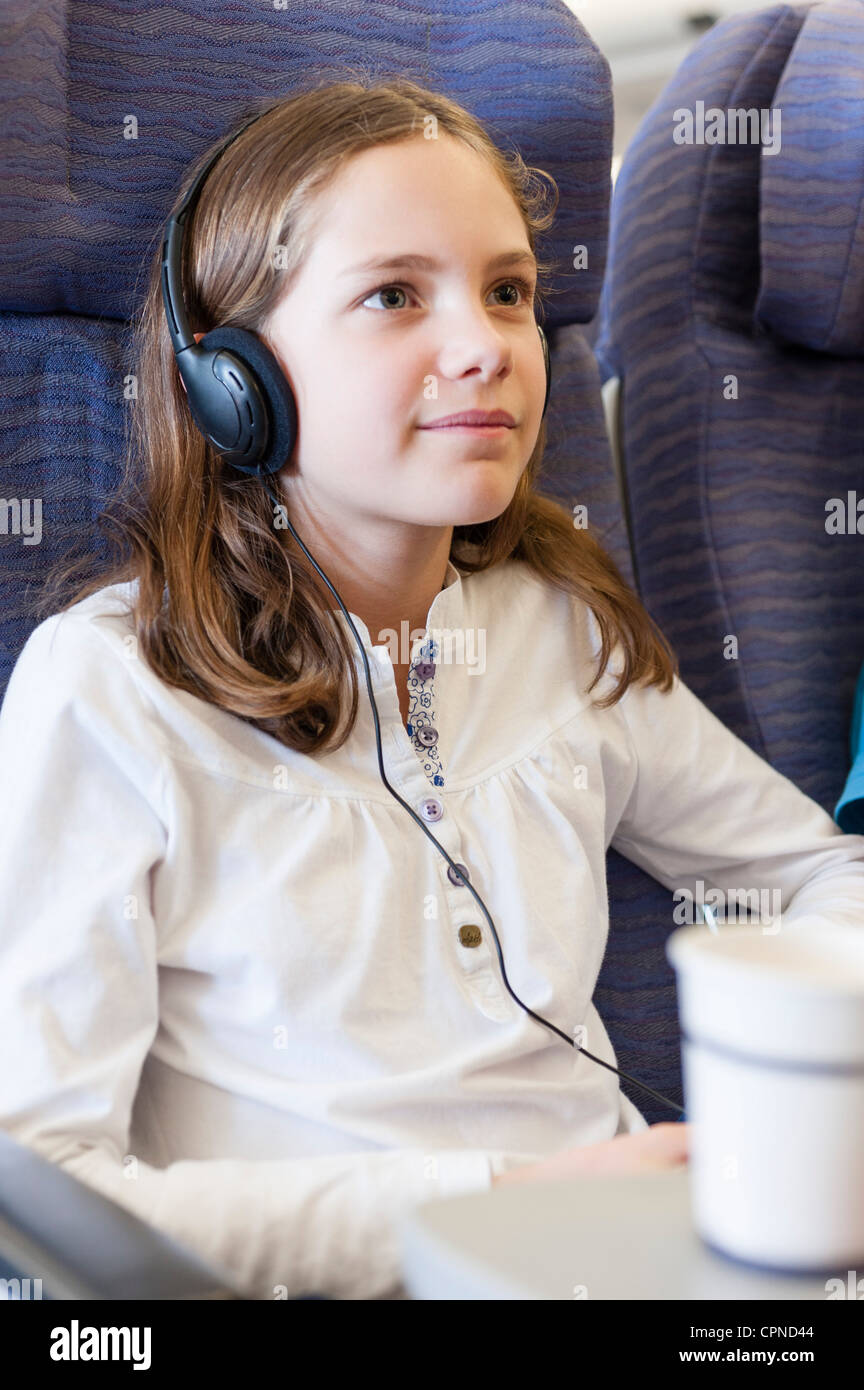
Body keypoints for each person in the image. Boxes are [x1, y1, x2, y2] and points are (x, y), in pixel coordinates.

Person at [2, 74, 863, 1302]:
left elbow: (822, 879)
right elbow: (40, 1188)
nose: (488, 346)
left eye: (510, 292)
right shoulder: (112, 690)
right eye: (395, 295)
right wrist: (496, 1203)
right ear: (232, 379)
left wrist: (790, 1069)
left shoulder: (557, 632)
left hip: (635, 1267)